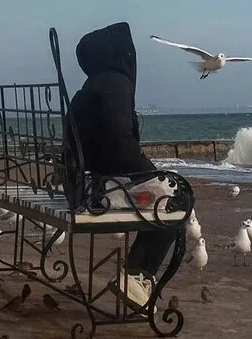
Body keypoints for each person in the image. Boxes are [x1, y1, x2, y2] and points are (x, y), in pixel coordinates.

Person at [68, 21, 176, 311]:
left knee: (162, 194)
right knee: (176, 200)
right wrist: (150, 174)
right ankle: (138, 277)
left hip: (83, 183)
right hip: (99, 192)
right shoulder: (116, 85)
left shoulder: (91, 86)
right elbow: (121, 143)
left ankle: (135, 276)